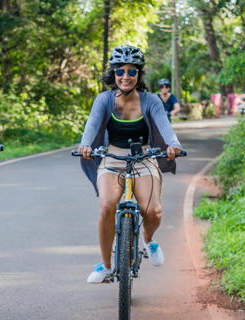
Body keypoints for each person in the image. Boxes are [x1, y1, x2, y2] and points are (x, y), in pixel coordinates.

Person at [77, 46, 183, 284]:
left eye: (132, 72)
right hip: (112, 159)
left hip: (144, 158)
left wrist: (173, 144)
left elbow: (164, 125)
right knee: (106, 207)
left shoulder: (151, 100)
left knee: (152, 210)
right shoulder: (104, 99)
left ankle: (147, 240)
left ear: (139, 75)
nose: (125, 76)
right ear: (113, 74)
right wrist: (85, 145)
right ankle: (105, 265)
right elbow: (92, 124)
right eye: (120, 71)